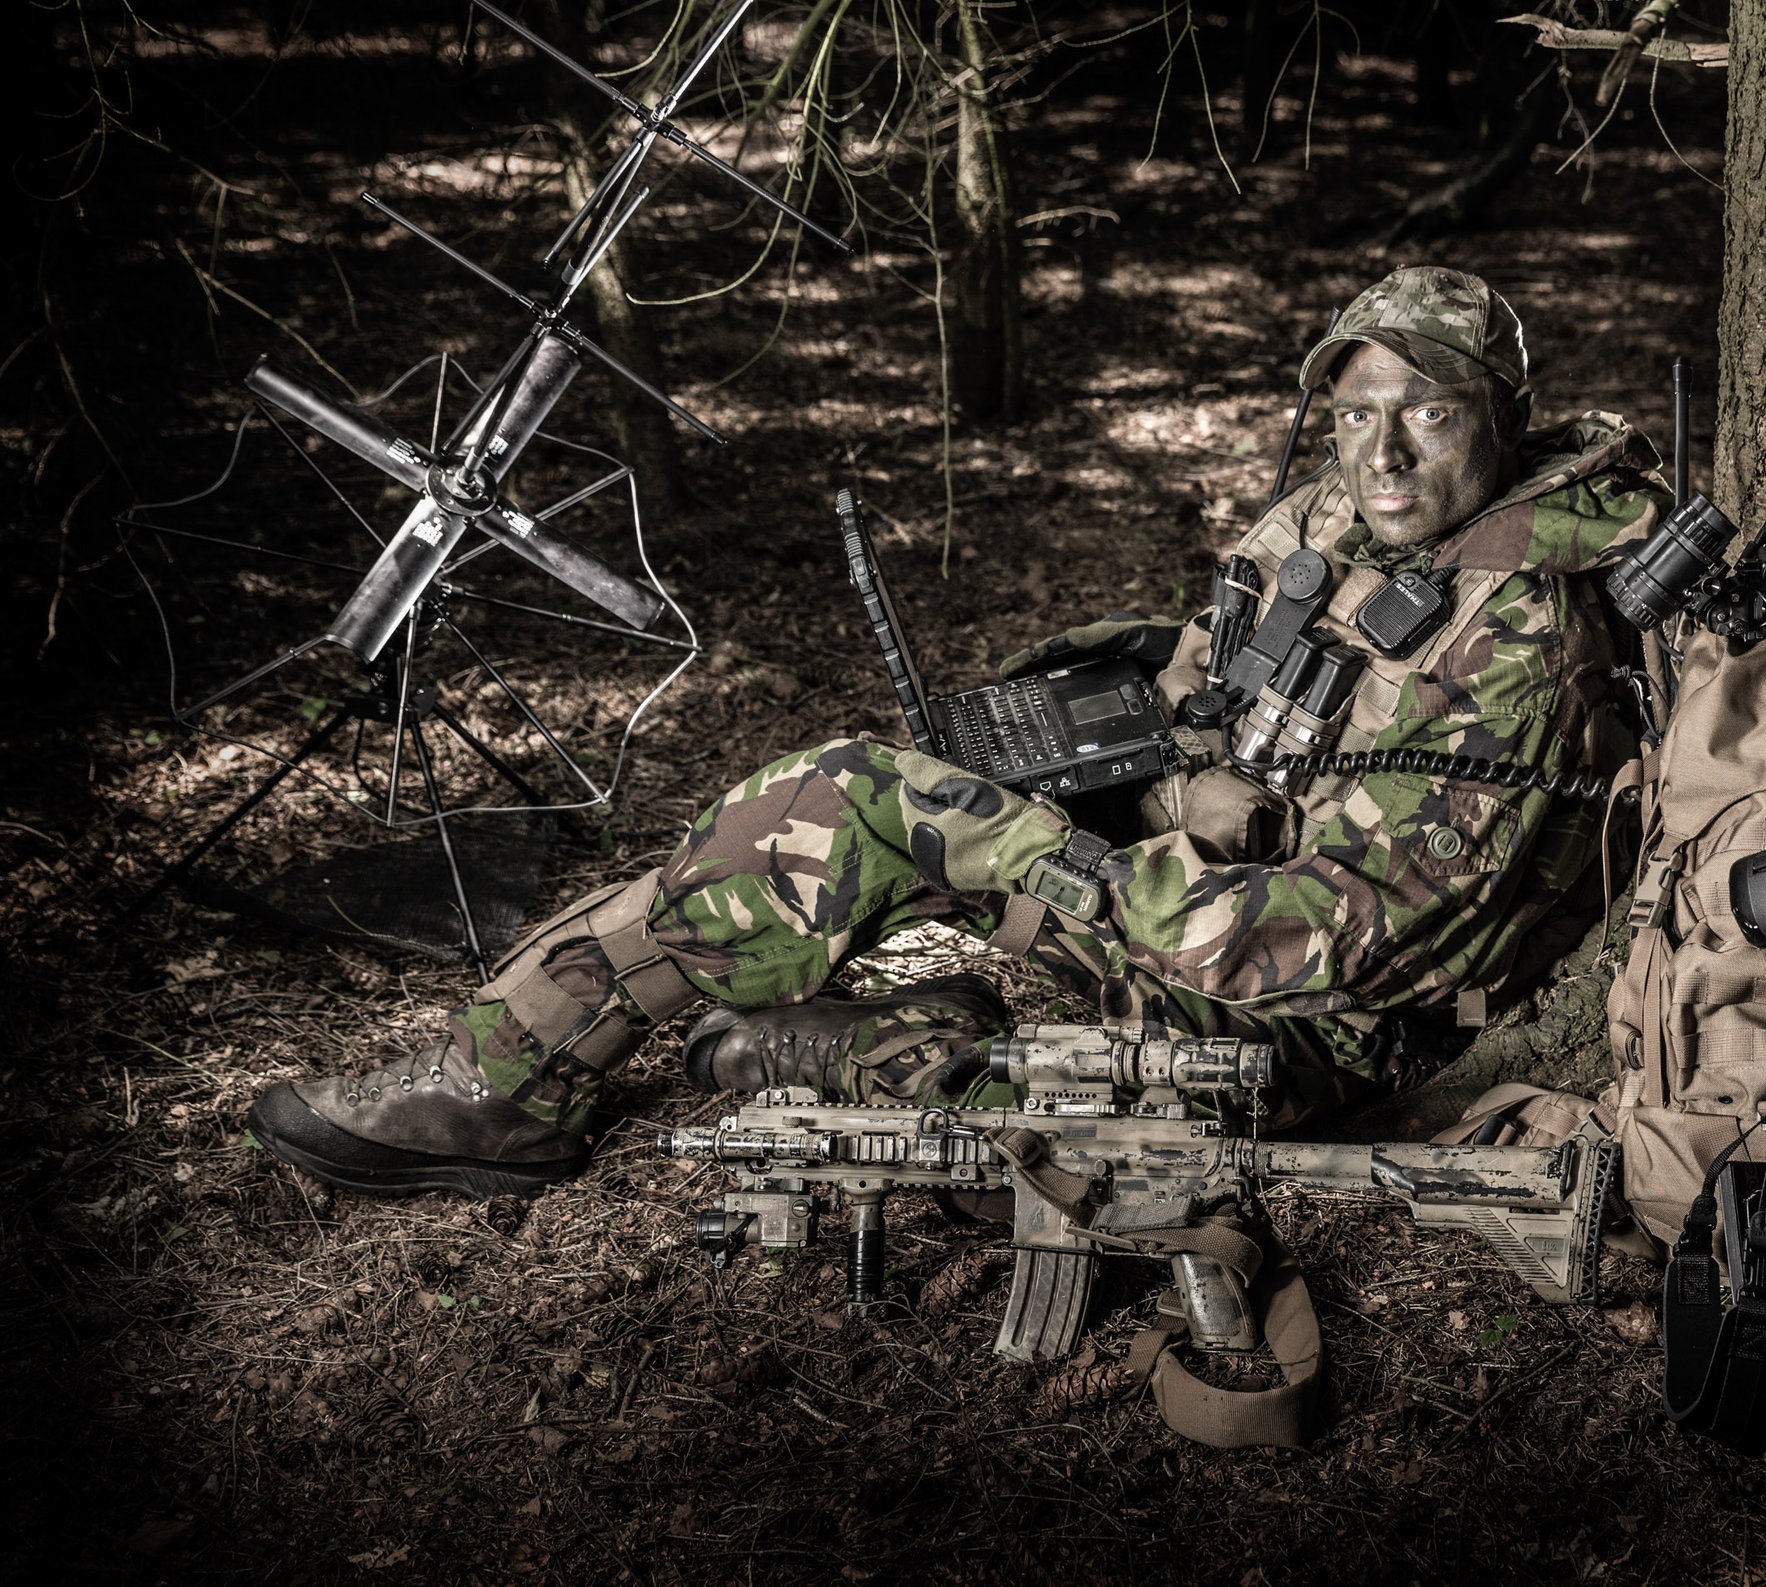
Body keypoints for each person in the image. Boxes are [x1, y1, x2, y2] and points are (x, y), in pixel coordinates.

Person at [246, 265, 1672, 1198]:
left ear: (1504, 419)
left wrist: (1054, 866)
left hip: (1304, 1028)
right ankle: (588, 1058)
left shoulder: (1522, 633)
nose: (1386, 451)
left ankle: (504, 1084)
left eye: (1430, 409)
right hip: (1201, 911)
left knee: (857, 796)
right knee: (893, 803)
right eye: (1357, 412)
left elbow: (1366, 945)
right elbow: (1201, 680)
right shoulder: (1328, 522)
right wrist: (1166, 797)